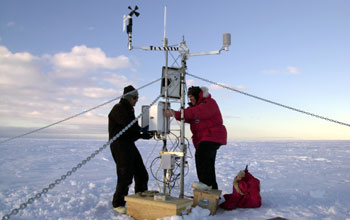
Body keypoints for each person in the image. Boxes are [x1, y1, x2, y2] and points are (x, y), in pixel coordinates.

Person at [164, 86, 227, 190]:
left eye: (192, 96)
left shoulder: (209, 103)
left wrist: (174, 113)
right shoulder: (196, 107)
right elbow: (188, 115)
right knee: (208, 163)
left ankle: (206, 184)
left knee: (201, 155)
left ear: (198, 95)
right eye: (189, 97)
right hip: (209, 137)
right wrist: (175, 114)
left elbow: (195, 113)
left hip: (212, 136)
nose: (190, 99)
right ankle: (212, 190)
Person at [108, 85, 153, 214]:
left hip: (128, 144)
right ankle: (118, 203)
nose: (136, 100)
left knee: (141, 173)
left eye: (137, 98)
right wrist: (140, 131)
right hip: (119, 145)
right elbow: (128, 125)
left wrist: (142, 134)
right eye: (135, 97)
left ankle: (140, 198)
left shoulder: (129, 109)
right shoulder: (119, 109)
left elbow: (131, 130)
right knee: (125, 175)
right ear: (128, 98)